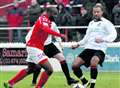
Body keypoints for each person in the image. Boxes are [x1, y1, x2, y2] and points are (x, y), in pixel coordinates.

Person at [4, 7, 66, 88]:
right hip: (34, 48)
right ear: (49, 13)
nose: (55, 17)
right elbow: (46, 29)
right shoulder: (42, 19)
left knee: (30, 69)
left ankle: (10, 83)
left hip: (35, 47)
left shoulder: (48, 22)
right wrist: (60, 35)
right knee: (49, 69)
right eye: (54, 15)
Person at [71, 3, 117, 88]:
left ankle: (92, 86)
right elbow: (86, 37)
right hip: (89, 48)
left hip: (100, 49)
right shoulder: (91, 23)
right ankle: (85, 81)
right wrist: (78, 44)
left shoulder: (106, 23)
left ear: (102, 12)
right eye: (94, 12)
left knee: (94, 61)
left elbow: (114, 34)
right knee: (74, 66)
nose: (96, 13)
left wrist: (103, 39)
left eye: (98, 12)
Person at [31, 16, 79, 86]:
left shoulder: (53, 24)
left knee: (62, 58)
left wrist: (61, 45)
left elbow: (57, 35)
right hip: (39, 46)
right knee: (39, 65)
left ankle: (69, 79)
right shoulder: (39, 23)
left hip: (49, 45)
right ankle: (34, 81)